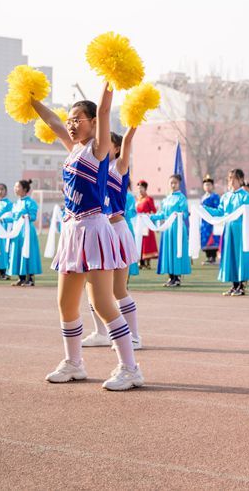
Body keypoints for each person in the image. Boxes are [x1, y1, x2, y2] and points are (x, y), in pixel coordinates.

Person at [31, 86, 143, 390]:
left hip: (94, 229)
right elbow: (53, 122)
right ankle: (74, 363)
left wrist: (110, 81)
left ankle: (130, 368)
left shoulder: (99, 149)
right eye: (71, 119)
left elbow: (106, 110)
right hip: (72, 231)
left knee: (103, 303)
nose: (71, 123)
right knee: (66, 304)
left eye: (77, 119)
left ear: (93, 122)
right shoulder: (74, 148)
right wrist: (29, 98)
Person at [81, 129, 142, 349]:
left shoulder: (119, 167)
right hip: (99, 231)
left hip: (117, 230)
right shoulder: (96, 168)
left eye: (109, 143)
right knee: (93, 287)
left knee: (118, 289)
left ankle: (134, 335)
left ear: (115, 148)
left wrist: (133, 119)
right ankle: (100, 332)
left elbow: (127, 140)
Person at [205, 169, 249, 296]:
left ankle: (241, 285)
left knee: (240, 256)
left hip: (240, 230)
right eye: (230, 179)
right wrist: (205, 210)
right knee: (230, 256)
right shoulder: (226, 196)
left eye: (235, 179)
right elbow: (220, 212)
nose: (231, 181)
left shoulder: (245, 196)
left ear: (241, 180)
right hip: (228, 230)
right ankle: (234, 285)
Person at [152, 174, 191, 287]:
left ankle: (177, 277)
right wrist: (151, 217)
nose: (173, 185)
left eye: (175, 183)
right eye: (171, 183)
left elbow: (185, 213)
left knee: (177, 250)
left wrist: (179, 215)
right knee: (168, 251)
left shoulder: (181, 198)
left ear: (179, 184)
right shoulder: (166, 199)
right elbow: (163, 214)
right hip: (168, 228)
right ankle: (170, 277)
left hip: (177, 228)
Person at [2, 180, 42, 286]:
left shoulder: (30, 202)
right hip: (17, 232)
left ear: (24, 189)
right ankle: (22, 278)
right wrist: (2, 220)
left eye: (18, 187)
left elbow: (33, 217)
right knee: (17, 252)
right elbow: (14, 219)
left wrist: (27, 217)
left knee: (27, 252)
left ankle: (30, 279)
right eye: (15, 187)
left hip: (27, 232)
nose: (15, 189)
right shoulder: (16, 203)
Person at [136, 180, 158, 269]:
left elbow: (154, 211)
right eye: (138, 189)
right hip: (139, 223)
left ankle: (147, 261)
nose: (140, 190)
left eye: (141, 188)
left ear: (145, 189)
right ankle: (140, 261)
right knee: (139, 241)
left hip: (146, 223)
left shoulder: (149, 199)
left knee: (147, 242)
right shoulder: (137, 200)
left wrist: (150, 217)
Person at [200, 176, 221, 265]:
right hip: (204, 221)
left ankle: (213, 257)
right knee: (205, 237)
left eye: (209, 185)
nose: (207, 187)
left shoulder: (215, 197)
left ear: (212, 186)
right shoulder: (203, 197)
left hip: (212, 220)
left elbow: (217, 208)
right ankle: (208, 257)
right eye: (205, 185)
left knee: (213, 237)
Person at [0, 183, 11, 280]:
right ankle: (0, 272)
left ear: (6, 191)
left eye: (1, 189)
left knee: (4, 250)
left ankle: (5, 272)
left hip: (4, 229)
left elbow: (10, 215)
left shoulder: (8, 204)